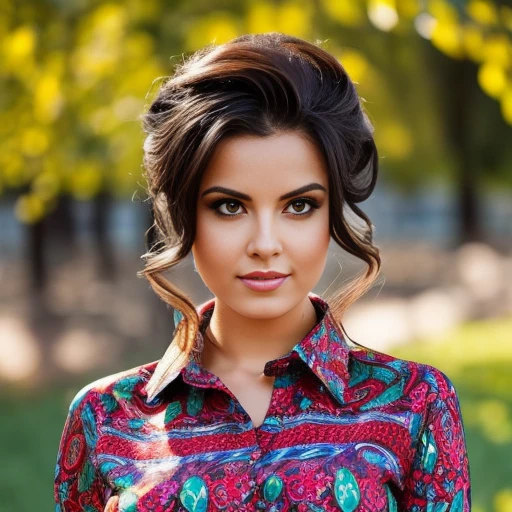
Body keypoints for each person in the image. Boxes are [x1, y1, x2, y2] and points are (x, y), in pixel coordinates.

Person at [54, 32, 471, 511]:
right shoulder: (105, 417)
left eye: (299, 205)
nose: (265, 245)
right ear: (187, 214)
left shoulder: (416, 404)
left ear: (332, 213)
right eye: (229, 206)